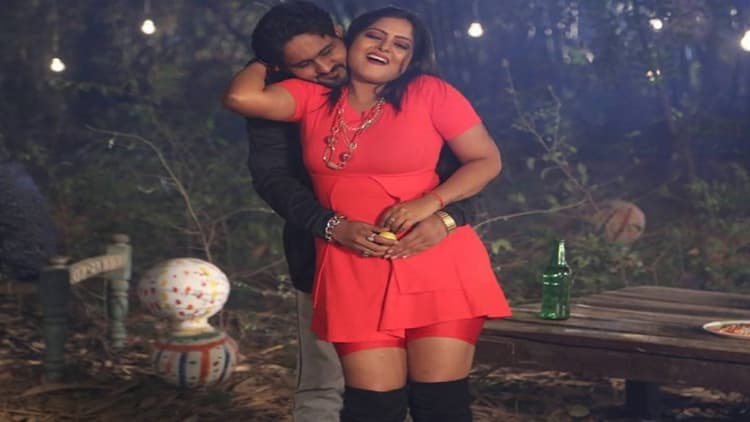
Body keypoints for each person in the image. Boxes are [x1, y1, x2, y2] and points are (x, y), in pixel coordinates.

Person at [225, 6, 511, 422]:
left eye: (401, 45)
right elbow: (243, 103)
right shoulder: (310, 97)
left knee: (440, 405)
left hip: (434, 260)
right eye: (375, 36)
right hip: (350, 266)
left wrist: (434, 206)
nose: (385, 48)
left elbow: (485, 161)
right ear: (354, 38)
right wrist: (266, 60)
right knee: (372, 408)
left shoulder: (430, 92)